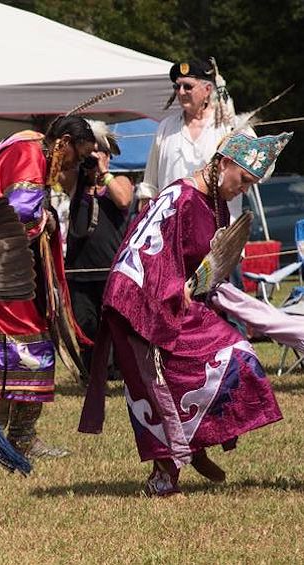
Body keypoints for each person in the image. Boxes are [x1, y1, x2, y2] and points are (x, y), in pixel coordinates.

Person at [80, 131, 293, 496]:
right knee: (156, 388)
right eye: (243, 180)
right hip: (138, 302)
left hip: (178, 302)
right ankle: (164, 475)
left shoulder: (217, 204)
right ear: (225, 162)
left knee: (236, 354)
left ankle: (194, 445)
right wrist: (168, 292)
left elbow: (206, 267)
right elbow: (142, 252)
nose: (244, 190)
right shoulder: (180, 196)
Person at [0, 116, 94, 459]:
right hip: (8, 273)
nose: (75, 165)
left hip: (6, 270)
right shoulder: (29, 155)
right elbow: (17, 216)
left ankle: (13, 437)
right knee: (22, 348)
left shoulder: (26, 147)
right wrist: (48, 219)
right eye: (77, 155)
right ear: (65, 141)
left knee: (10, 349)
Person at [65, 120, 133, 371]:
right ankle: (90, 370)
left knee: (113, 323)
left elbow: (124, 199)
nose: (93, 160)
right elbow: (56, 173)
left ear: (108, 156)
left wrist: (104, 173)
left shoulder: (121, 181)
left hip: (110, 270)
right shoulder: (75, 184)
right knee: (85, 323)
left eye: (99, 154)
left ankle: (116, 370)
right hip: (79, 271)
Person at [143, 58, 242, 219]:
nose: (181, 92)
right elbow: (149, 186)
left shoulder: (230, 126)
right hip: (172, 228)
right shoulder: (165, 127)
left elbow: (260, 169)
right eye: (177, 86)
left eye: (188, 87)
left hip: (219, 228)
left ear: (207, 89)